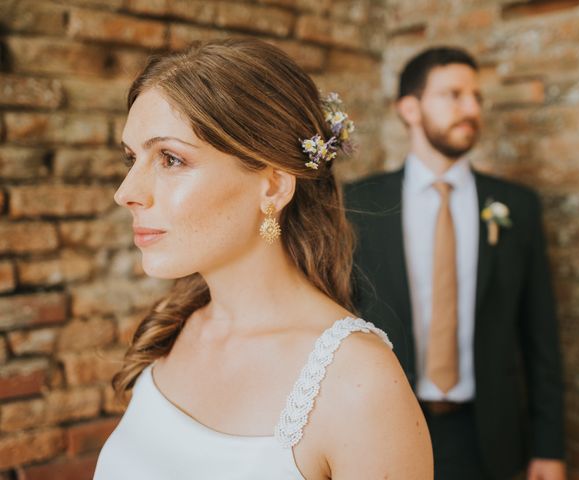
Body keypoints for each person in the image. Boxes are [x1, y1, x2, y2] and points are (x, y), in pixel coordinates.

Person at [93, 39, 432, 480]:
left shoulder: (358, 384)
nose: (127, 193)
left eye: (170, 158)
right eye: (132, 158)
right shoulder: (174, 326)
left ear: (272, 186)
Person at [345, 47, 565, 480]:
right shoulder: (358, 203)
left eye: (476, 97)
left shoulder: (516, 205)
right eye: (454, 94)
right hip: (381, 425)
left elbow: (541, 334)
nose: (471, 108)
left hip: (487, 435)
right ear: (409, 108)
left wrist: (549, 447)